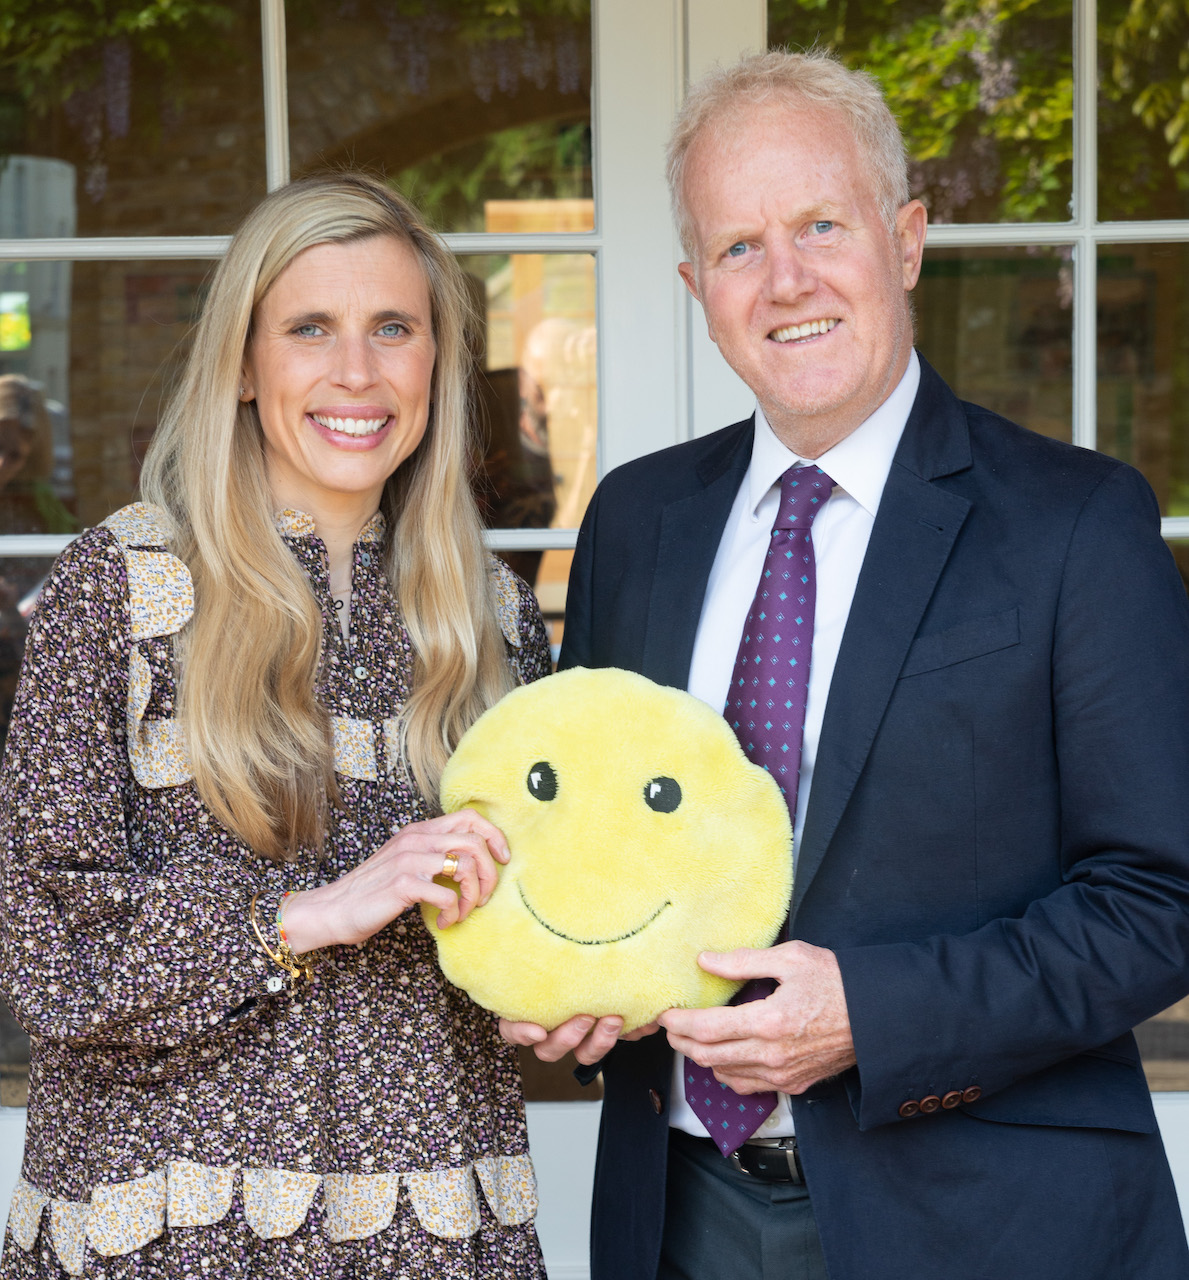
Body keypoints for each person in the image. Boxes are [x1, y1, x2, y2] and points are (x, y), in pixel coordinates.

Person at [502, 49, 1189, 1280]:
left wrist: (871, 1015)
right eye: (738, 247)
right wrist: (581, 986)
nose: (787, 281)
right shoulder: (636, 520)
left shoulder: (1073, 522)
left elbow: (1159, 898)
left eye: (822, 223)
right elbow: (599, 855)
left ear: (907, 237)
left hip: (985, 1219)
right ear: (694, 286)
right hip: (677, 1213)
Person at [0, 173, 550, 1277]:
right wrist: (317, 909)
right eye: (310, 328)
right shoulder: (119, 587)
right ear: (246, 366)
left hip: (433, 1224)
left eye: (394, 328)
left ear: (435, 361)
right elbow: (47, 950)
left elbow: (522, 928)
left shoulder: (492, 615)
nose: (358, 372)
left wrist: (566, 995)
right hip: (164, 1232)